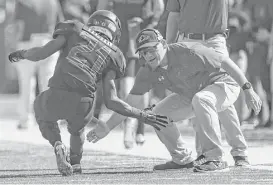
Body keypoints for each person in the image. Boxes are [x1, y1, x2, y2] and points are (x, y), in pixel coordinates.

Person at [8, 10, 170, 176]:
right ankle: (76, 163)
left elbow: (42, 53)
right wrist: (141, 115)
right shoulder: (115, 55)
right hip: (84, 103)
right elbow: (112, 101)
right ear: (114, 32)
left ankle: (57, 143)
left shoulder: (74, 29)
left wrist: (22, 54)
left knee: (41, 110)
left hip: (58, 92)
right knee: (77, 131)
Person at [86, 28, 262, 173]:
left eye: (151, 49)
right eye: (144, 52)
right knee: (156, 114)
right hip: (193, 94)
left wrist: (248, 89)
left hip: (224, 84)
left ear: (163, 44)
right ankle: (182, 159)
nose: (148, 56)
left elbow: (225, 62)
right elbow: (129, 103)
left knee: (203, 99)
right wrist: (107, 127)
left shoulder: (189, 51)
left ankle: (215, 157)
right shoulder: (147, 71)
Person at [165, 0, 251, 167]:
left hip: (214, 41)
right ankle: (205, 153)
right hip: (186, 41)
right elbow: (174, 15)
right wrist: (169, 46)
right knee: (201, 96)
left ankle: (238, 150)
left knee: (220, 92)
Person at [12, 0, 62, 129]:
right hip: (48, 40)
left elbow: (18, 26)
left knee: (27, 84)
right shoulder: (53, 2)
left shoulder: (22, 2)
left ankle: (25, 120)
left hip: (27, 41)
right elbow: (61, 24)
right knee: (48, 83)